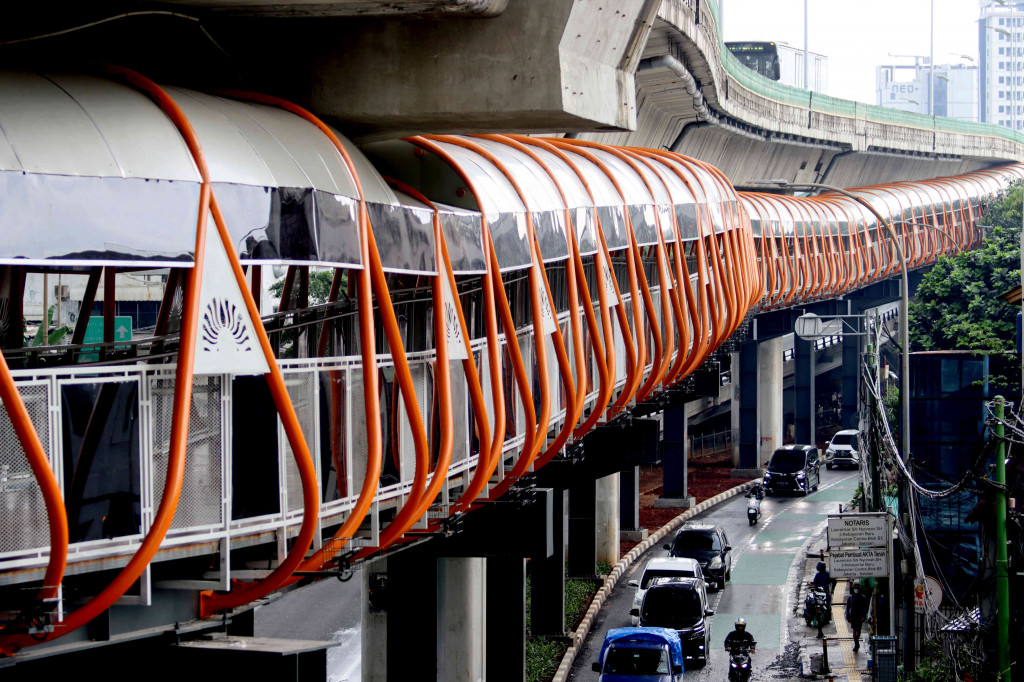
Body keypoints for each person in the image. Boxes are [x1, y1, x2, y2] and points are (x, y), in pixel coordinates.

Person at [845, 581, 871, 652]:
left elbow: (865, 608)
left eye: (858, 588)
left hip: (859, 617)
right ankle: (856, 644)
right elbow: (848, 608)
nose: (856, 589)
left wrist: (863, 616)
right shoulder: (850, 598)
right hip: (853, 616)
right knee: (854, 630)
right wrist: (848, 616)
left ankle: (857, 643)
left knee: (858, 630)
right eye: (855, 588)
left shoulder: (863, 597)